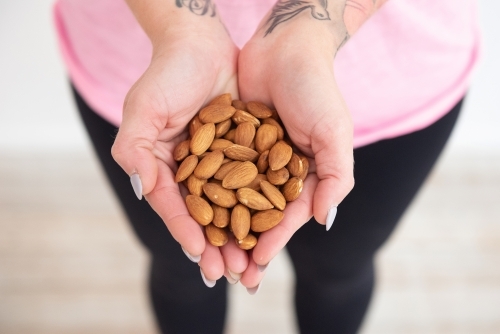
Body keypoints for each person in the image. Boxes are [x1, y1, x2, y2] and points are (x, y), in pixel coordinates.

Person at [54, 0, 480, 332]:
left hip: (393, 68)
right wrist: (180, 29)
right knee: (180, 268)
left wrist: (309, 34)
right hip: (152, 77)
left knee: (337, 272)